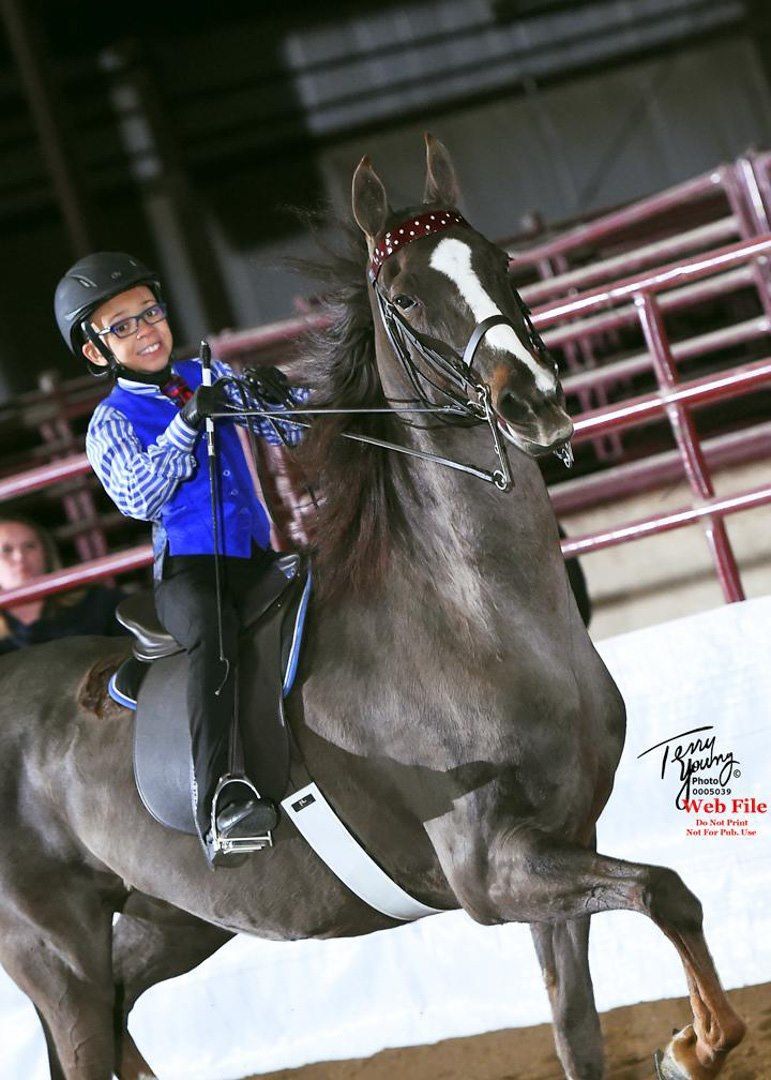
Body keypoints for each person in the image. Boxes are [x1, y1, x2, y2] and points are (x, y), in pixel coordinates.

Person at [54, 253, 307, 867]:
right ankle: (220, 799)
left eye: (151, 313)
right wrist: (188, 422)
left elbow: (292, 432)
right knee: (214, 640)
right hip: (191, 571)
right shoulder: (110, 420)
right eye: (123, 327)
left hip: (257, 550)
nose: (146, 330)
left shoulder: (208, 372)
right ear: (96, 352)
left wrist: (280, 396)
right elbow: (141, 497)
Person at [0, 514, 126, 655]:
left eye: (29, 546)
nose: (20, 557)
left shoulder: (97, 602)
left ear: (46, 554)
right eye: (6, 550)